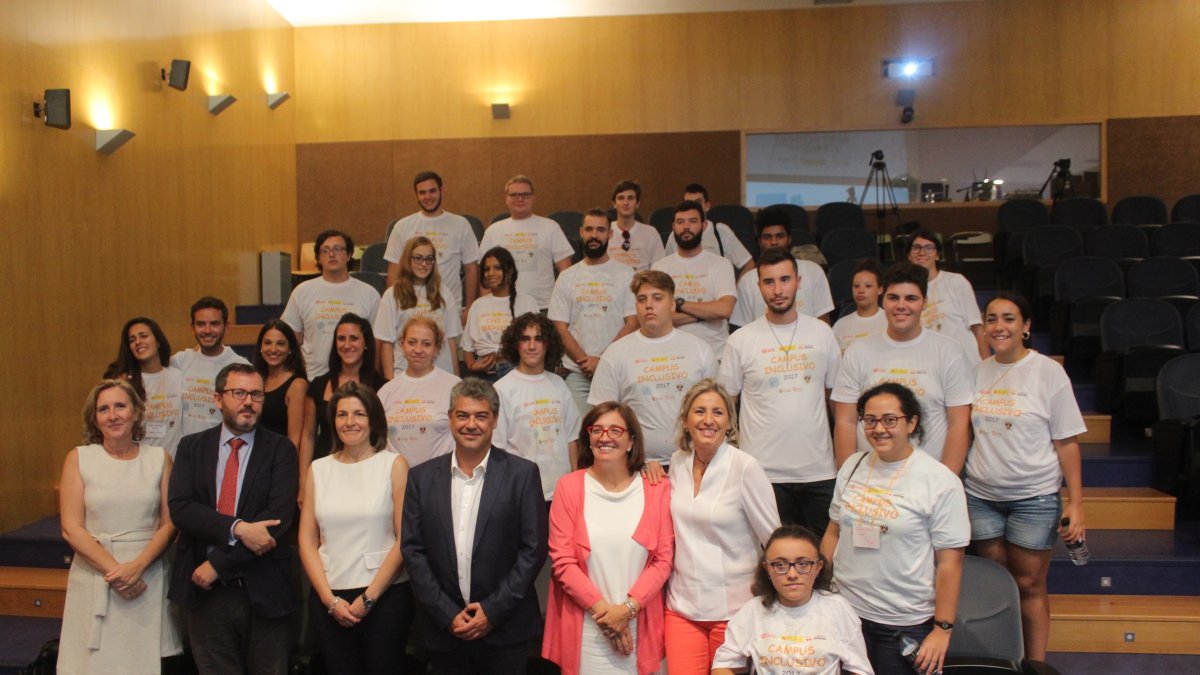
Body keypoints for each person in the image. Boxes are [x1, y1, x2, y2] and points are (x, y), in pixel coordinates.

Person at [965, 292, 1087, 661]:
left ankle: (1034, 665)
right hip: (980, 497)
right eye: (991, 319)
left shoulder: (1048, 372)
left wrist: (1077, 502)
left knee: (1029, 584)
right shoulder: (977, 369)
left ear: (1027, 327)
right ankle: (1001, 661)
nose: (998, 327)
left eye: (1009, 318)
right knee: (995, 585)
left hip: (1033, 498)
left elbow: (1066, 443)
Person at [401, 378, 548, 674]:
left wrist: (492, 611)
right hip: (445, 632)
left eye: (481, 416)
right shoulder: (421, 478)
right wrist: (446, 613)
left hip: (506, 630)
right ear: (450, 418)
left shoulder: (522, 475)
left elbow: (533, 551)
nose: (471, 424)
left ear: (494, 421)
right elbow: (413, 550)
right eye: (463, 415)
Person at [821, 382, 969, 675]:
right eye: (870, 420)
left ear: (912, 422)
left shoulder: (939, 481)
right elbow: (833, 531)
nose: (879, 429)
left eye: (890, 420)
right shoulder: (852, 466)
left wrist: (943, 629)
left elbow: (950, 563)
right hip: (847, 612)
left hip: (905, 622)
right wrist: (819, 591)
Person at [167, 363, 299, 675]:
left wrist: (220, 565)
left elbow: (277, 520)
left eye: (256, 394)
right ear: (218, 398)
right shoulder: (191, 447)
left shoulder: (281, 449)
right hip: (204, 592)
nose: (248, 402)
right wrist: (236, 528)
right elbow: (181, 508)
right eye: (238, 393)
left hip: (264, 587)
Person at [57, 379, 182, 674]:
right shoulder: (78, 458)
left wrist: (137, 567)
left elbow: (170, 522)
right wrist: (117, 573)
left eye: (120, 406)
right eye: (103, 409)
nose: (113, 415)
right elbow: (71, 528)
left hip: (147, 577)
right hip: (95, 574)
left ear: (136, 413)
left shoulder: (159, 459)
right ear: (95, 418)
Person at [543, 401, 674, 675]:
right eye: (597, 430)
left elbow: (663, 561)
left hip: (643, 629)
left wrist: (626, 610)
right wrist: (608, 616)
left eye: (615, 430)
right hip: (587, 633)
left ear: (631, 441)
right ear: (587, 438)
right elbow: (563, 562)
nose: (605, 437)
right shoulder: (569, 487)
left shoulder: (657, 487)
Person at [719, 248, 843, 536]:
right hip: (762, 473)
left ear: (798, 282)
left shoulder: (823, 334)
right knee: (770, 564)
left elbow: (839, 405)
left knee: (823, 562)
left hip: (820, 471)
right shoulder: (740, 341)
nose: (778, 289)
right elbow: (726, 408)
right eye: (769, 282)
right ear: (758, 285)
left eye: (785, 280)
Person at [665, 379, 780, 673]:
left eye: (718, 412)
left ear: (729, 422)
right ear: (685, 420)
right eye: (699, 411)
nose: (708, 420)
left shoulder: (746, 467)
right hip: (682, 607)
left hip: (735, 611)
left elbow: (774, 540)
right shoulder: (677, 463)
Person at [298, 381, 413, 675]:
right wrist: (328, 599)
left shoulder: (394, 465)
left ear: (373, 419)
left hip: (384, 596)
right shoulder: (318, 469)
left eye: (359, 414)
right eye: (341, 414)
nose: (350, 422)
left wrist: (368, 598)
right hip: (329, 597)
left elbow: (405, 540)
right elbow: (307, 540)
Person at [832, 263, 974, 474]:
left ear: (924, 303)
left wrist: (947, 482)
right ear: (883, 300)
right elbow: (845, 420)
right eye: (894, 297)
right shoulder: (858, 351)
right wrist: (848, 478)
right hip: (871, 479)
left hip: (929, 479)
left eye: (911, 298)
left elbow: (959, 423)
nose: (901, 305)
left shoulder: (949, 351)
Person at [588, 270, 717, 466]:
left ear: (672, 304)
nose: (649, 305)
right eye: (642, 299)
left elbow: (717, 412)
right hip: (636, 465)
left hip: (694, 463)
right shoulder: (615, 354)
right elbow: (603, 419)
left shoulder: (700, 350)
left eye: (657, 298)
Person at [711, 525, 872, 675]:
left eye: (803, 564)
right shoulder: (753, 610)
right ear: (767, 568)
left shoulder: (838, 608)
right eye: (780, 565)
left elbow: (860, 669)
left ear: (818, 567)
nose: (792, 574)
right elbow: (721, 666)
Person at [549, 208, 639, 415]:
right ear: (581, 232)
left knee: (617, 431)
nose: (594, 235)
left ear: (610, 234)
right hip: (577, 373)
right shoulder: (567, 277)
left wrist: (601, 361)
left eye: (600, 230)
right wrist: (585, 361)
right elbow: (559, 327)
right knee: (580, 435)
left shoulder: (626, 274)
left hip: (617, 370)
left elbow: (633, 323)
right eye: (589, 229)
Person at [494, 312, 581, 502]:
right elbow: (497, 450)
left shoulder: (559, 385)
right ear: (515, 344)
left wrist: (575, 483)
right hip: (521, 495)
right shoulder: (501, 390)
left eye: (539, 339)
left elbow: (572, 439)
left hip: (562, 493)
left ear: (548, 344)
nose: (532, 346)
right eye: (525, 339)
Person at [300, 314, 388, 498]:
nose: (347, 345)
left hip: (369, 474)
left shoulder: (383, 387)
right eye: (341, 339)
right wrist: (303, 482)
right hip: (325, 473)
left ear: (366, 343)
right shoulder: (318, 385)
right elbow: (308, 436)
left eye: (353, 338)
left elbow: (383, 436)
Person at [283, 230, 383, 378]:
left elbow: (377, 342)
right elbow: (290, 337)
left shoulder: (369, 293)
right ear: (318, 258)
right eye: (325, 250)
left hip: (358, 379)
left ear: (349, 255)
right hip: (313, 378)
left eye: (338, 249)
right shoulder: (302, 291)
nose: (331, 254)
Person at [384, 170, 481, 318]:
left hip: (450, 309)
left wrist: (469, 308)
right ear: (416, 195)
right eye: (422, 193)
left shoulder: (460, 224)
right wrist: (393, 307)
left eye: (432, 191)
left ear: (441, 190)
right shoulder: (402, 226)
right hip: (411, 310)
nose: (428, 197)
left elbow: (471, 269)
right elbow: (393, 271)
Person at [652, 200, 738, 357]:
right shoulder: (660, 268)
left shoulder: (721, 264)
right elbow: (660, 317)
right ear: (673, 227)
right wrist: (705, 314)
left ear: (704, 226)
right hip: (673, 357)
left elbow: (724, 309)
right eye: (680, 222)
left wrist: (680, 303)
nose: (686, 227)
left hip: (716, 356)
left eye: (693, 221)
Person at [478, 175, 574, 310]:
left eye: (525, 195)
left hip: (544, 307)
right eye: (514, 195)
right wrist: (486, 306)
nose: (520, 199)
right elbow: (484, 273)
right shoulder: (493, 231)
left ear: (533, 198)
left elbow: (566, 270)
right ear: (506, 198)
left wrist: (562, 303)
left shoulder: (551, 227)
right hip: (503, 308)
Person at [729, 206, 834, 328]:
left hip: (808, 346)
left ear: (789, 239)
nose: (774, 242)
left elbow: (824, 323)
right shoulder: (747, 280)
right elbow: (743, 329)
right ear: (759, 242)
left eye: (780, 236)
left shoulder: (813, 271)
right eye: (767, 237)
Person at [377, 316, 462, 466]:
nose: (418, 350)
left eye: (426, 344)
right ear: (402, 344)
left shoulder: (454, 387)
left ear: (437, 349)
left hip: (440, 479)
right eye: (412, 342)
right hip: (398, 482)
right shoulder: (385, 392)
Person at [373, 236, 462, 378]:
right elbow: (386, 343)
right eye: (418, 258)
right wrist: (390, 380)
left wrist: (456, 376)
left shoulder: (444, 293)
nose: (424, 264)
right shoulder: (392, 295)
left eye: (429, 259)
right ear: (408, 260)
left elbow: (450, 339)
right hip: (404, 372)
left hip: (442, 373)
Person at [103, 317, 183, 459]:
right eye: (132, 340)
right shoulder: (124, 383)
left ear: (158, 341)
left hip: (173, 464)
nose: (138, 342)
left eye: (143, 336)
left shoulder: (177, 375)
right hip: (138, 464)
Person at [172, 297, 251, 437]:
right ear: (192, 328)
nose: (207, 330)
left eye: (214, 324)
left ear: (226, 327)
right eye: (201, 324)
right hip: (186, 451)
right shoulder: (180, 361)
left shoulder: (241, 367)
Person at [906, 229, 988, 362]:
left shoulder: (956, 281)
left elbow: (977, 327)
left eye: (929, 248)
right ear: (908, 255)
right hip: (930, 362)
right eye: (916, 248)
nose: (922, 252)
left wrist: (987, 364)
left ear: (937, 255)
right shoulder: (905, 291)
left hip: (965, 361)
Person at [461, 246, 539, 382]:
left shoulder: (527, 302)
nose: (491, 273)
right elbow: (467, 346)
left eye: (497, 268)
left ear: (509, 270)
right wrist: (473, 366)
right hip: (484, 374)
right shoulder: (478, 305)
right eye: (486, 269)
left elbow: (538, 341)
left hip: (518, 369)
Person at [665, 183, 754, 277]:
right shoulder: (675, 235)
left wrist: (735, 289)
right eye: (689, 204)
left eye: (697, 203)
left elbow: (748, 264)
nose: (693, 208)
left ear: (707, 206)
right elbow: (666, 268)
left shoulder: (720, 231)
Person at [253, 319, 308, 453]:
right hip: (253, 456)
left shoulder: (297, 385)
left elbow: (293, 441)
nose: (273, 349)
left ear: (290, 349)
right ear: (260, 347)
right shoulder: (256, 379)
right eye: (267, 343)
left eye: (280, 344)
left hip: (277, 460)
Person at [607, 179, 665, 272]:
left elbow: (660, 269)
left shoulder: (651, 233)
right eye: (621, 198)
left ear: (637, 203)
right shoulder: (604, 231)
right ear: (614, 203)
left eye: (630, 198)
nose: (626, 203)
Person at [833, 258, 887, 353]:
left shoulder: (890, 321)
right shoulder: (840, 325)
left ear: (880, 289)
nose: (861, 291)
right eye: (856, 286)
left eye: (868, 286)